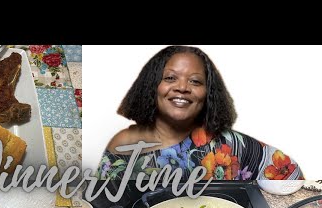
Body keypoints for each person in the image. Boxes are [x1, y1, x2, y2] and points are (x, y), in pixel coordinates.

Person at [96, 45, 304, 181]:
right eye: (170, 78)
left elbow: (289, 173)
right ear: (152, 86)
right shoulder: (124, 142)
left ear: (208, 94)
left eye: (195, 81)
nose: (182, 87)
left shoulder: (230, 145)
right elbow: (102, 203)